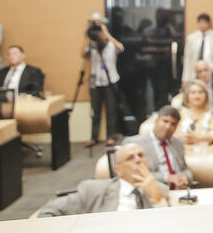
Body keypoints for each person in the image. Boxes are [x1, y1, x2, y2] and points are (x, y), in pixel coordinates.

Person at [38, 142, 169, 216]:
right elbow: (49, 211)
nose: (138, 160)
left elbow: (169, 229)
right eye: (130, 158)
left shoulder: (161, 190)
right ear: (118, 170)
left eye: (141, 155)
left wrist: (158, 200)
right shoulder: (94, 190)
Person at [124, 105, 192, 190]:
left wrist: (185, 177)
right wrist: (167, 177)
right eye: (165, 121)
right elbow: (133, 172)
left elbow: (185, 170)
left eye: (173, 124)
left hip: (179, 191)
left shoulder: (178, 143)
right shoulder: (135, 143)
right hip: (150, 191)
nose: (168, 127)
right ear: (156, 121)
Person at [84, 18, 124, 148]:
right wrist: (87, 37)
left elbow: (121, 48)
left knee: (111, 111)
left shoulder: (111, 45)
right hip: (95, 83)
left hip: (110, 81)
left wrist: (106, 33)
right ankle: (93, 137)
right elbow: (83, 55)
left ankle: (111, 137)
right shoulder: (92, 46)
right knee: (95, 112)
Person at [181, 13, 213, 84]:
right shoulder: (191, 38)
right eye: (200, 22)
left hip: (212, 70)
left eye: (204, 22)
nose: (202, 25)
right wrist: (185, 78)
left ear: (209, 23)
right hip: (194, 73)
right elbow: (187, 59)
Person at [176, 81, 213, 145]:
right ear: (187, 95)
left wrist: (196, 138)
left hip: (207, 149)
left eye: (200, 92)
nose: (197, 96)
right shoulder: (179, 113)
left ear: (206, 95)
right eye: (193, 93)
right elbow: (173, 134)